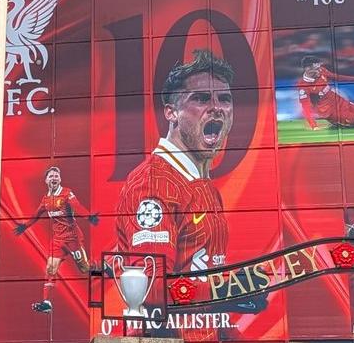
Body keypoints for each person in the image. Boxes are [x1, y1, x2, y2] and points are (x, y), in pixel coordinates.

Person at [114, 50, 235, 273]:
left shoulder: (202, 183)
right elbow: (152, 286)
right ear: (171, 113)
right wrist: (225, 292)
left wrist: (232, 285)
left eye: (225, 99)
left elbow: (200, 272)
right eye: (201, 98)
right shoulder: (153, 182)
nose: (217, 107)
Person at [14, 166, 99, 313]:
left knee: (85, 268)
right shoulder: (46, 199)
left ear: (59, 179)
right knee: (50, 268)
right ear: (46, 180)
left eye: (56, 176)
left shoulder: (67, 193)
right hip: (58, 241)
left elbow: (77, 206)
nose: (54, 178)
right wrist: (24, 226)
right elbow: (37, 215)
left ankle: (104, 268)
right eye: (51, 176)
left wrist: (88, 216)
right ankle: (47, 302)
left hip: (73, 238)